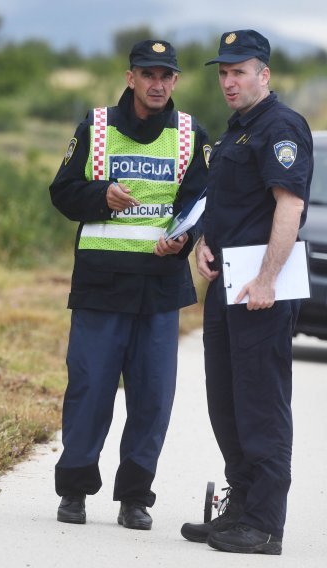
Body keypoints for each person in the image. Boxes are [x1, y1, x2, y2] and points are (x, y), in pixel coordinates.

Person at [49, 39, 210, 529]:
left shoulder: (190, 134)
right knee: (91, 389)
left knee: (152, 398)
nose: (157, 84)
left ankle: (134, 498)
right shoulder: (96, 127)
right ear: (131, 77)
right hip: (101, 285)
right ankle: (74, 492)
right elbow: (63, 192)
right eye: (148, 74)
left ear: (175, 81)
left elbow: (200, 204)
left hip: (159, 288)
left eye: (166, 75)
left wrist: (181, 242)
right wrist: (101, 196)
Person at [180, 30, 312, 555]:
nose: (229, 81)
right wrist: (203, 244)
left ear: (265, 75)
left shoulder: (280, 126)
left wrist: (268, 280)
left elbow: (289, 207)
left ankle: (262, 525)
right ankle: (238, 509)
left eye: (240, 71)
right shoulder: (238, 130)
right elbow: (226, 202)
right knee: (227, 403)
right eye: (223, 73)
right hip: (228, 281)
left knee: (260, 405)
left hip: (262, 288)